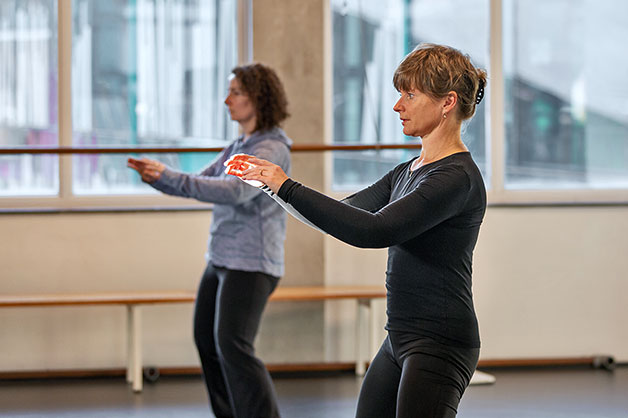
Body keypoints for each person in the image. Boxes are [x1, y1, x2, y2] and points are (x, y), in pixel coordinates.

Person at [225, 44, 487, 418]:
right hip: (399, 338)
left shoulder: (455, 178)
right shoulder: (407, 172)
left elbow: (375, 231)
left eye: (410, 95)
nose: (398, 106)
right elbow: (342, 216)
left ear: (447, 102)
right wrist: (270, 185)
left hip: (440, 342)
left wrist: (286, 185)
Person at [127, 63, 291, 418]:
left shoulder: (271, 150)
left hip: (251, 264)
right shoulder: (239, 144)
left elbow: (234, 192)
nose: (226, 100)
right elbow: (201, 180)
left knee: (234, 347)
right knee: (208, 342)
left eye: (235, 92)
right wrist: (159, 177)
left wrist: (168, 176)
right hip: (221, 259)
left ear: (257, 99)